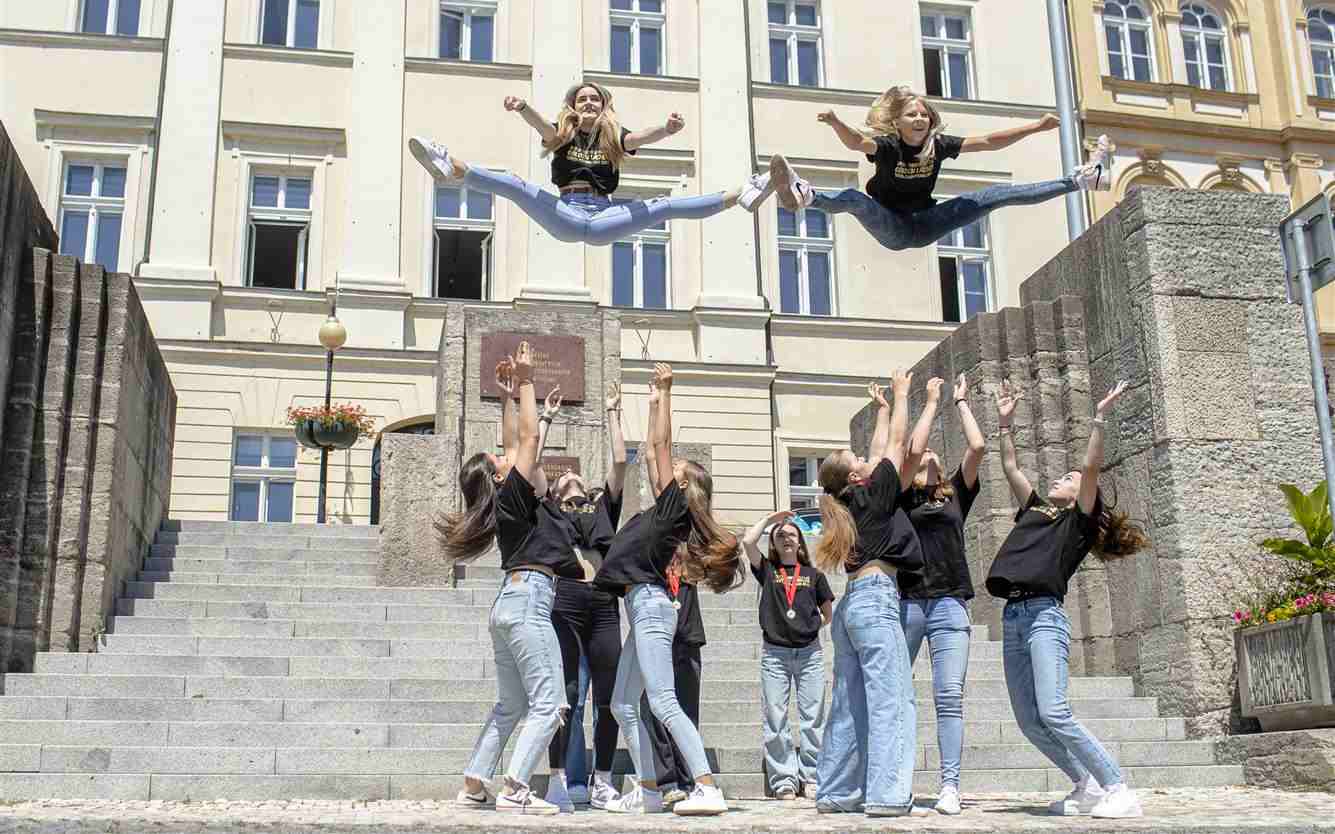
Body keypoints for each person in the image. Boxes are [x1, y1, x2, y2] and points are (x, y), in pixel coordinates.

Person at [987, 379, 1150, 820]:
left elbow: (1091, 468)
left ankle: (1118, 788)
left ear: (1084, 495)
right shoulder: (1037, 509)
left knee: (1055, 711)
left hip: (1043, 617)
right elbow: (1010, 467)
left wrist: (1098, 417)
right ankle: (1086, 784)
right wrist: (1004, 423)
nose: (1064, 476)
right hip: (1013, 616)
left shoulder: (1079, 523)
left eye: (1070, 477)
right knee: (1028, 719)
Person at [437, 343, 581, 815]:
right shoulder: (513, 498)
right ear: (498, 478)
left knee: (510, 706)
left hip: (510, 602)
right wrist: (524, 380)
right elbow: (527, 443)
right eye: (496, 460)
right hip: (529, 600)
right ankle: (517, 787)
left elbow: (518, 441)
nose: (505, 457)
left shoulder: (508, 501)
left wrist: (505, 399)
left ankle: (475, 783)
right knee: (551, 702)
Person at [594, 363, 741, 816]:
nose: (662, 468)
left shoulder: (674, 509)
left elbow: (659, 444)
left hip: (653, 608)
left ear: (682, 485)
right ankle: (652, 788)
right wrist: (652, 399)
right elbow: (654, 448)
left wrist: (665, 392)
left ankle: (705, 785)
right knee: (623, 703)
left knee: (661, 700)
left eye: (672, 470)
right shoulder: (667, 512)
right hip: (643, 607)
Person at [409, 81, 773, 246]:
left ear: (603, 106)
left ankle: (740, 194)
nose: (588, 103)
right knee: (516, 185)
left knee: (664, 205)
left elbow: (640, 138)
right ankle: (450, 167)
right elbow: (541, 126)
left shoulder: (614, 136)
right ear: (573, 106)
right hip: (565, 213)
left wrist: (667, 128)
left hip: (603, 217)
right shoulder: (562, 133)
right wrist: (522, 107)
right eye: (582, 99)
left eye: (594, 100)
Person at [766, 86, 1113, 251]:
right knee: (857, 199)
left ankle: (1082, 180)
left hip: (926, 223)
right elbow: (858, 143)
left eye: (923, 115)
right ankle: (808, 197)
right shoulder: (889, 147)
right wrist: (836, 122)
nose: (919, 119)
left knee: (994, 196)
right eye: (911, 115)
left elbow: (990, 141)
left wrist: (1035, 128)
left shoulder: (938, 145)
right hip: (892, 228)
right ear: (897, 122)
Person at [812, 372, 924, 817]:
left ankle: (837, 792)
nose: (863, 457)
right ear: (855, 476)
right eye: (854, 457)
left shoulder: (851, 502)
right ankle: (888, 794)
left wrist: (880, 409)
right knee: (890, 700)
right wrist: (901, 396)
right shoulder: (873, 493)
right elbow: (894, 447)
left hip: (852, 605)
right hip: (877, 600)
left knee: (847, 704)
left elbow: (879, 451)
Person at [896, 373, 985, 815]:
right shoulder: (903, 499)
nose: (929, 452)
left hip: (950, 601)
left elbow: (978, 449)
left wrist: (961, 402)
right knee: (897, 689)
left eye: (935, 449)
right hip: (909, 601)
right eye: (926, 449)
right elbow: (912, 450)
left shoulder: (955, 495)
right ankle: (895, 779)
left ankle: (950, 784)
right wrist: (928, 403)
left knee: (949, 695)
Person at [539, 382, 628, 812]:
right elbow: (533, 466)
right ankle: (560, 780)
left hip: (605, 604)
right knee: (568, 695)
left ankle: (603, 780)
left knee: (607, 697)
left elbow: (617, 461)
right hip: (568, 600)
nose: (571, 477)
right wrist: (546, 418)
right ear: (556, 495)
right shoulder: (553, 514)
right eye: (565, 479)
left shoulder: (602, 510)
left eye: (577, 476)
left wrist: (613, 411)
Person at [741, 508, 833, 801]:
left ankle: (813, 777)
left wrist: (810, 625)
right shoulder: (768, 570)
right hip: (775, 655)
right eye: (781, 536)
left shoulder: (813, 575)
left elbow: (827, 613)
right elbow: (747, 543)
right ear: (775, 543)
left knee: (812, 718)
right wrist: (771, 520)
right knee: (776, 717)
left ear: (801, 542)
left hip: (809, 654)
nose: (786, 538)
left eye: (791, 534)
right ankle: (783, 780)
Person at [637, 555, 706, 811]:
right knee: (654, 713)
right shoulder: (649, 561)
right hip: (656, 640)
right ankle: (667, 783)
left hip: (687, 640)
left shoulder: (692, 561)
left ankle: (689, 781)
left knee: (686, 714)